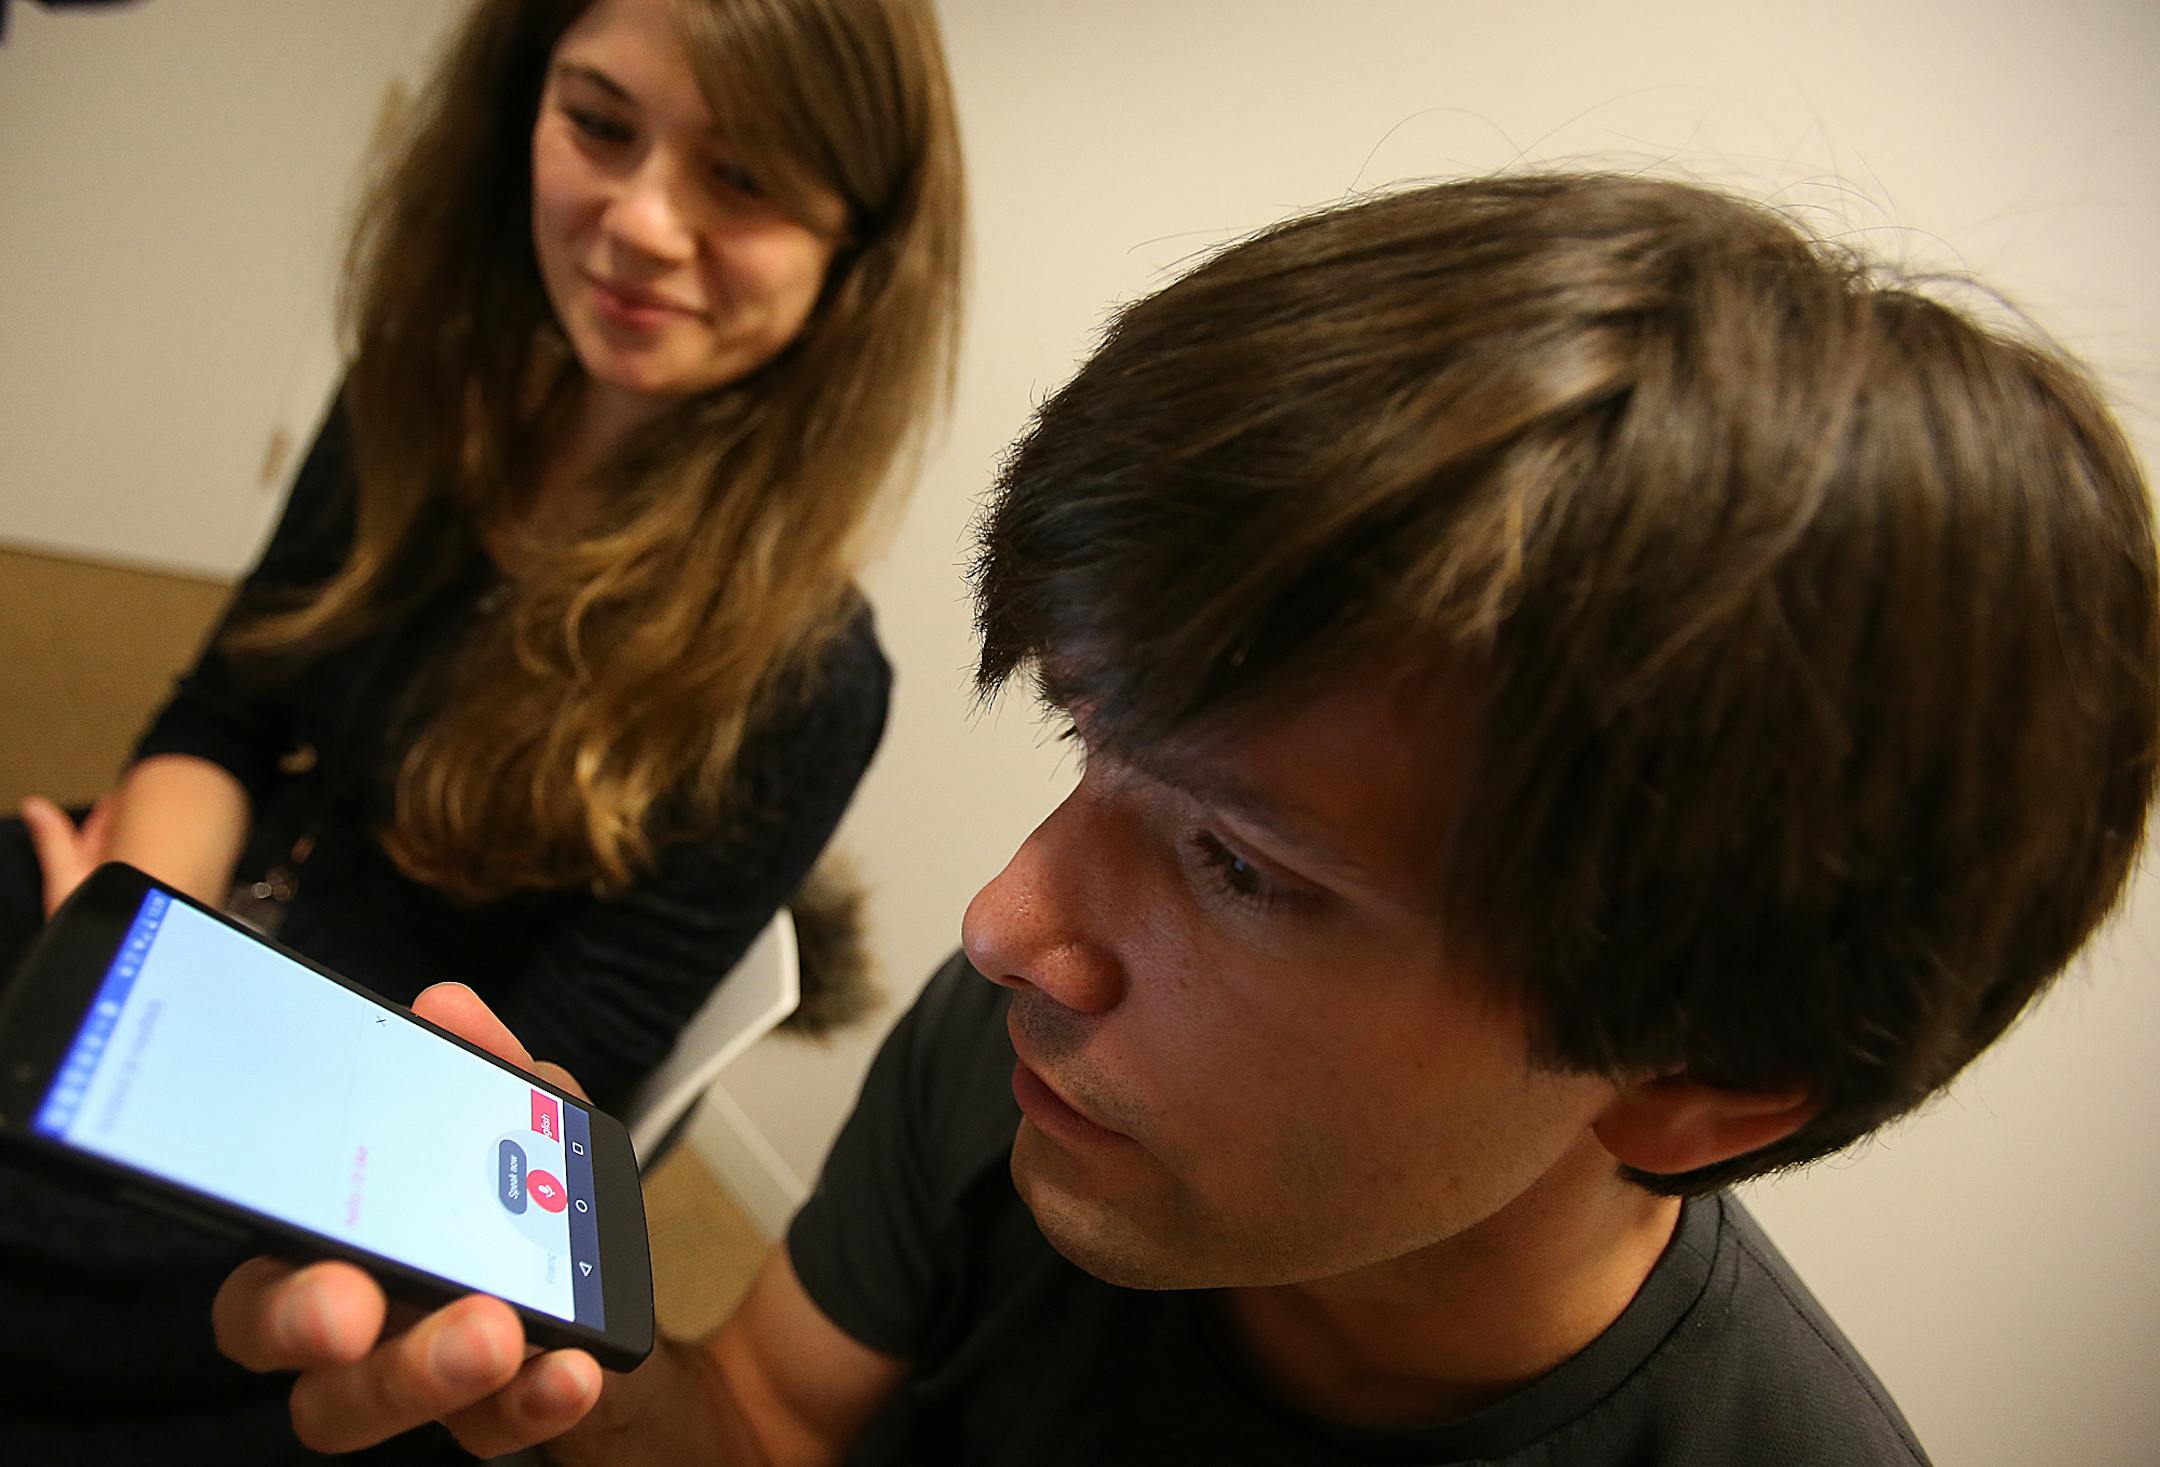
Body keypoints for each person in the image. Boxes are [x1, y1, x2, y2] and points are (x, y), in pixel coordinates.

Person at [215, 172, 2156, 1463]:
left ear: (1697, 1085)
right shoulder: (1032, 1055)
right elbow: (770, 1421)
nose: (1002, 923)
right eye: (1085, 739)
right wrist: (564, 1384)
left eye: (1239, 862)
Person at [0, 0, 961, 1460]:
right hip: (226, 894)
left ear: (855, 246)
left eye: (744, 178)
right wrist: (147, 926)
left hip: (386, 1091)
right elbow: (225, 712)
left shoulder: (809, 681)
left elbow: (542, 1082)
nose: (641, 225)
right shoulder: (422, 388)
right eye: (600, 124)